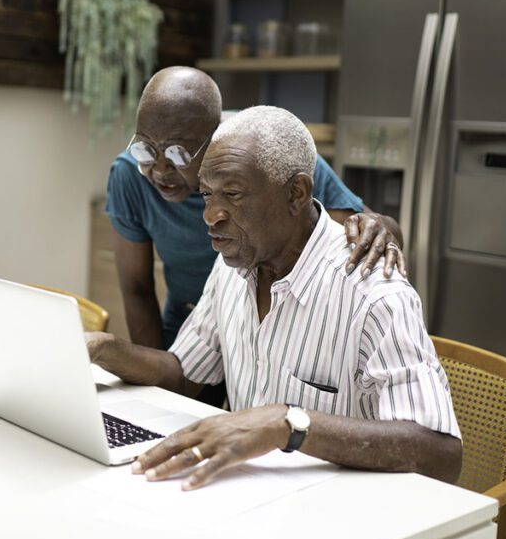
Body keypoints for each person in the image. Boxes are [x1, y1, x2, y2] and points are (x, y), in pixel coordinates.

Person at [87, 106, 461, 490]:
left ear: (296, 193)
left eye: (232, 194)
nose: (211, 215)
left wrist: (288, 424)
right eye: (206, 195)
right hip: (250, 494)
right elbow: (185, 375)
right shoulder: (233, 266)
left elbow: (440, 454)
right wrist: (103, 348)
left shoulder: (372, 292)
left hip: (339, 511)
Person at [106, 66, 405, 351]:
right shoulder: (130, 174)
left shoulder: (264, 152)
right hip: (190, 318)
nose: (159, 169)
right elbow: (137, 288)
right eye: (145, 148)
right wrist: (154, 388)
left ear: (214, 138)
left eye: (177, 153)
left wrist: (381, 227)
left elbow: (366, 229)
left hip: (269, 317)